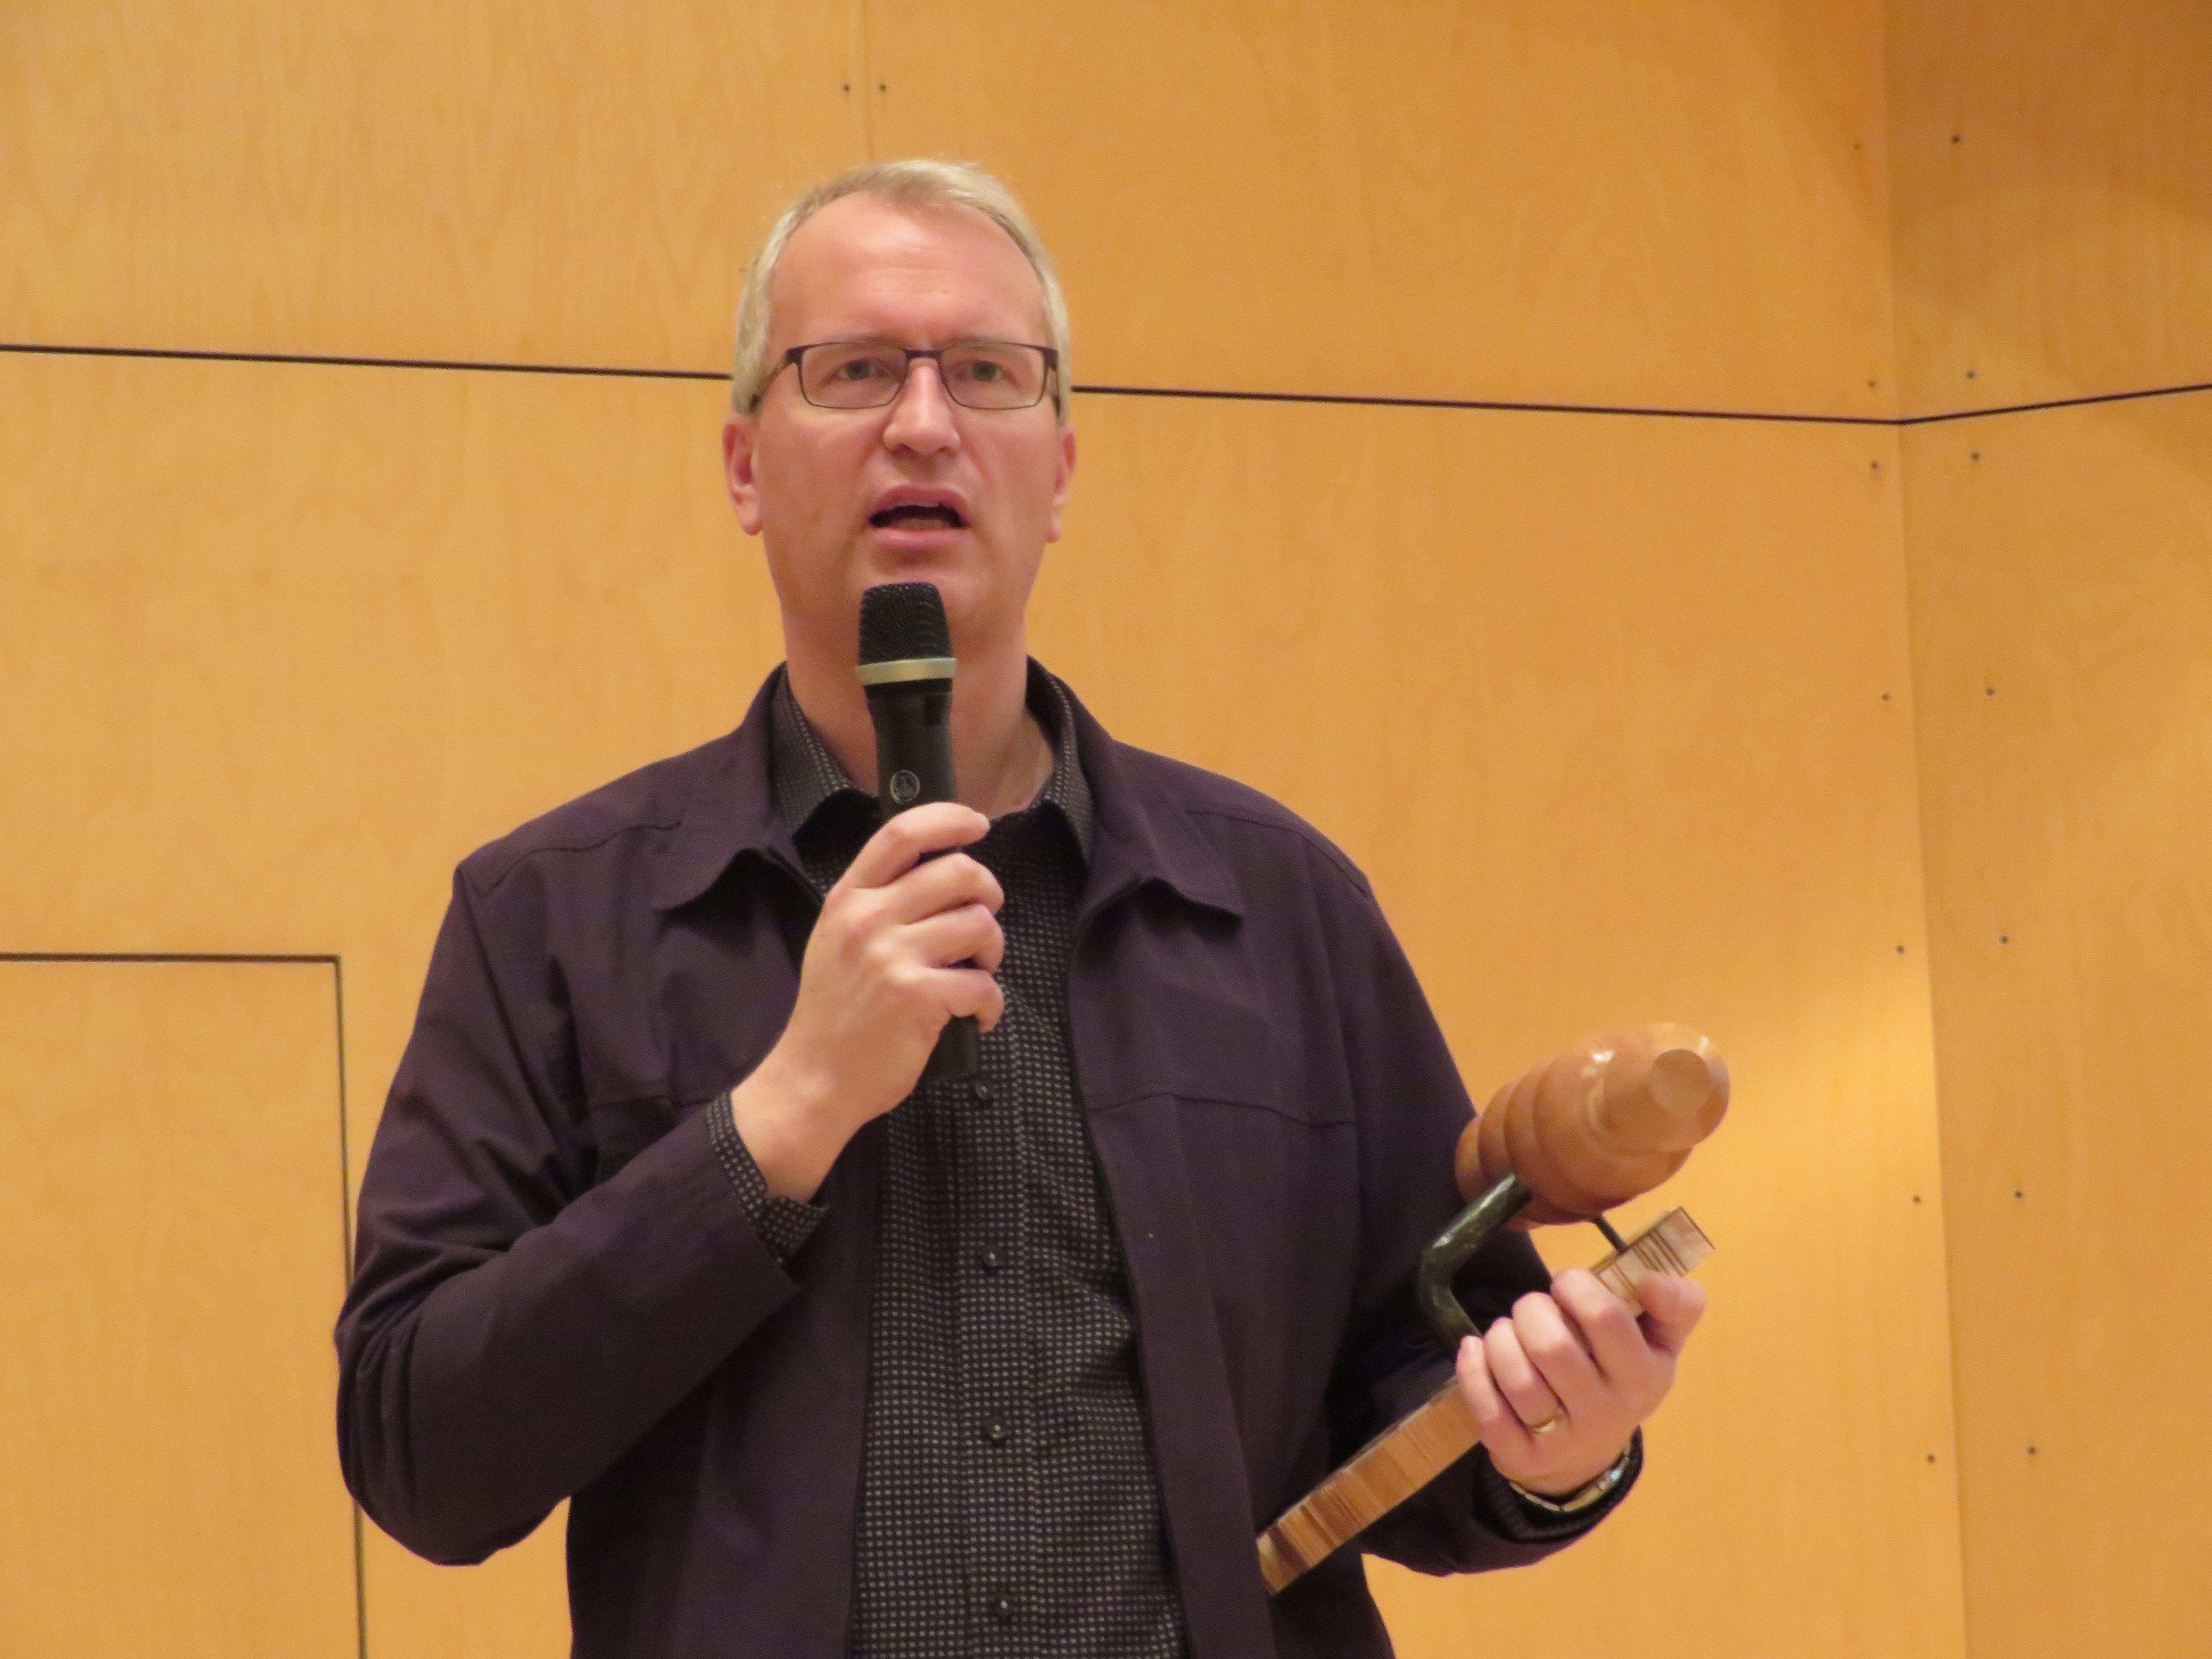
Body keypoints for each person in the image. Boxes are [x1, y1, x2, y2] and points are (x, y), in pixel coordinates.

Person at [336, 160, 1704, 1659]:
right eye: (854, 370)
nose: (924, 422)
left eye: (987, 372)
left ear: (1059, 470)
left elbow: (1428, 1386)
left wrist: (1562, 1445)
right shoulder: (552, 916)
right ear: (743, 467)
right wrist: (782, 1117)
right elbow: (423, 1457)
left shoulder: (1282, 906)